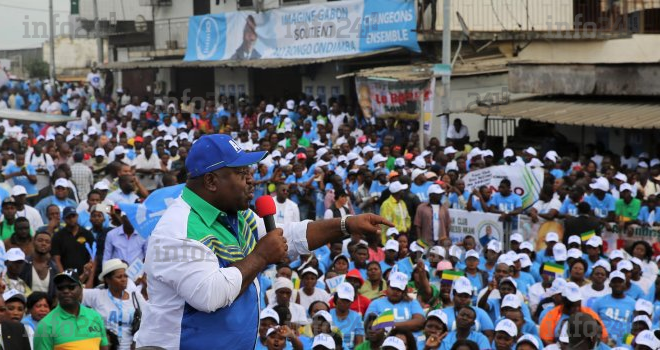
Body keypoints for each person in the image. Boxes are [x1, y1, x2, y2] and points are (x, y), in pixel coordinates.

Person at [136, 134, 392, 349]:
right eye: (241, 173)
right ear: (211, 181)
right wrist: (260, 256)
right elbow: (209, 294)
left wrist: (346, 224)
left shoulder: (238, 214)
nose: (252, 180)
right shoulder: (177, 229)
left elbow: (286, 237)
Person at [34, 269, 109, 350]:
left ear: (81, 289)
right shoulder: (45, 325)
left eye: (71, 287)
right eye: (60, 288)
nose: (65, 291)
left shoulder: (95, 316)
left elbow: (103, 347)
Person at [83, 259, 144, 350]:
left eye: (125, 276)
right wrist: (84, 276)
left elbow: (148, 320)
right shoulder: (97, 295)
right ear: (107, 280)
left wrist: (136, 340)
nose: (124, 280)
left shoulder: (135, 296)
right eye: (119, 277)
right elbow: (73, 293)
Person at [590, 270, 636, 346]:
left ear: (624, 284)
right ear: (610, 284)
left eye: (620, 282)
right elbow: (591, 322)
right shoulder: (599, 302)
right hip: (603, 343)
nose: (617, 284)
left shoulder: (633, 304)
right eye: (614, 282)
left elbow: (635, 327)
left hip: (625, 344)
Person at [51, 207, 96, 274]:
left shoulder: (87, 234)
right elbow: (57, 259)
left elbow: (93, 255)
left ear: (77, 216)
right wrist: (63, 276)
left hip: (86, 273)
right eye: (68, 217)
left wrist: (89, 273)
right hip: (67, 275)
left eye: (73, 216)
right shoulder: (58, 236)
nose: (71, 219)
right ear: (64, 219)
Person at [20, 230, 59, 300]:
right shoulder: (23, 263)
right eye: (40, 240)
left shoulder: (54, 268)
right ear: (33, 242)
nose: (43, 243)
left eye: (47, 242)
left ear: (50, 246)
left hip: (46, 308)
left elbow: (55, 294)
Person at [330, 282, 364, 349]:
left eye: (347, 301)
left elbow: (359, 343)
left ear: (351, 302)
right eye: (342, 299)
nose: (344, 303)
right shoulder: (328, 314)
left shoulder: (357, 317)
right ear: (336, 299)